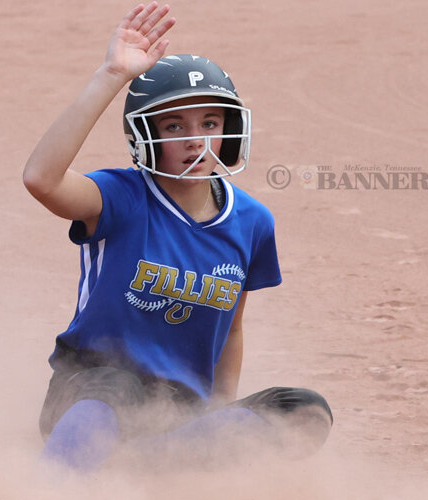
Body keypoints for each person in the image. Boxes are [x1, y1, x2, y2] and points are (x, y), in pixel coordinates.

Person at [23, 2, 332, 470]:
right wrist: (111, 75)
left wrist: (219, 409)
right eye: (174, 126)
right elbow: (41, 180)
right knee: (117, 386)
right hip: (89, 390)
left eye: (209, 123)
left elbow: (232, 327)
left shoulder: (252, 220)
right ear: (145, 134)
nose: (196, 139)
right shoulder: (120, 196)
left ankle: (139, 468)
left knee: (304, 410)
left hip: (175, 416)